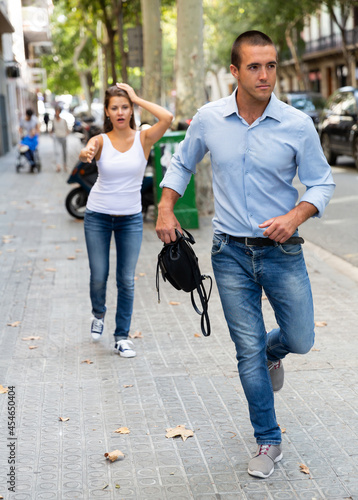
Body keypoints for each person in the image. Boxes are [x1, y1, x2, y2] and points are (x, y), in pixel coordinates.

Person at [156, 31, 335, 479]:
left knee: (300, 339)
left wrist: (295, 216)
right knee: (246, 350)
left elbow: (322, 182)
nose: (265, 75)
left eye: (271, 65)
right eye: (254, 67)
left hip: (281, 251)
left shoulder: (296, 124)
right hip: (228, 253)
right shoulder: (209, 119)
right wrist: (164, 207)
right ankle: (268, 441)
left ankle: (275, 353)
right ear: (235, 71)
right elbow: (181, 162)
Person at [79, 83, 173, 357]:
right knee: (99, 275)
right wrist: (86, 153)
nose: (120, 112)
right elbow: (88, 149)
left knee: (126, 280)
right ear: (107, 112)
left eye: (124, 106)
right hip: (97, 216)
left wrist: (137, 97)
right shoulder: (100, 140)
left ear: (130, 109)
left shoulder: (144, 138)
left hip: (130, 219)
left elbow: (166, 118)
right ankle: (98, 313)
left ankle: (122, 336)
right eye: (114, 108)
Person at [52, 106, 69, 172]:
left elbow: (67, 129)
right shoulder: (53, 120)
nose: (57, 113)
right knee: (57, 151)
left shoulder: (63, 120)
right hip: (56, 137)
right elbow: (52, 129)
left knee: (64, 152)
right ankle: (58, 165)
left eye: (58, 111)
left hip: (63, 137)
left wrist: (66, 134)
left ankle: (65, 165)